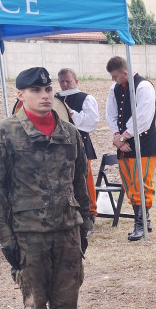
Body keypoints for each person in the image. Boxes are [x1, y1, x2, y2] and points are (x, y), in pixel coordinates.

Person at [0, 67, 97, 309]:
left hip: (67, 230)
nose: (45, 95)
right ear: (20, 95)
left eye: (48, 89)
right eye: (36, 90)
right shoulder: (5, 133)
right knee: (35, 300)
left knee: (66, 297)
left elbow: (80, 181)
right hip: (27, 233)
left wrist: (85, 224)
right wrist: (4, 236)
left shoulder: (70, 133)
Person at [104, 56, 156, 241]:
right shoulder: (114, 88)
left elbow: (144, 118)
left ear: (125, 72)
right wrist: (117, 137)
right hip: (123, 144)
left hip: (144, 143)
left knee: (141, 183)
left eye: (115, 76)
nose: (113, 80)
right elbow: (111, 114)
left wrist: (124, 136)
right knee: (129, 183)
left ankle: (140, 224)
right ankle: (143, 221)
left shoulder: (144, 86)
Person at [56, 68, 99, 217]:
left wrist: (71, 112)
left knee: (85, 178)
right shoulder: (55, 99)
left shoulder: (86, 98)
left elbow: (90, 123)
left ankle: (90, 212)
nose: (65, 84)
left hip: (80, 143)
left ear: (76, 81)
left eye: (68, 81)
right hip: (59, 146)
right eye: (62, 81)